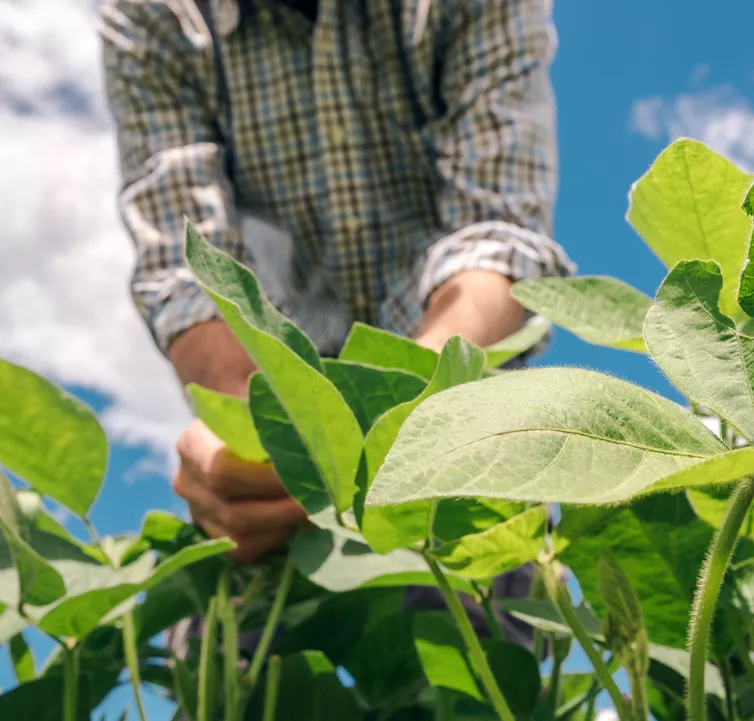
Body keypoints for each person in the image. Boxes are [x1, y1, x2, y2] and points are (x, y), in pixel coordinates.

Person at [96, 0, 573, 652]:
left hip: (451, 424)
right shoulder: (154, 14)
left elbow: (497, 232)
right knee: (224, 664)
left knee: (490, 666)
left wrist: (389, 422)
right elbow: (186, 270)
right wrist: (253, 436)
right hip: (281, 419)